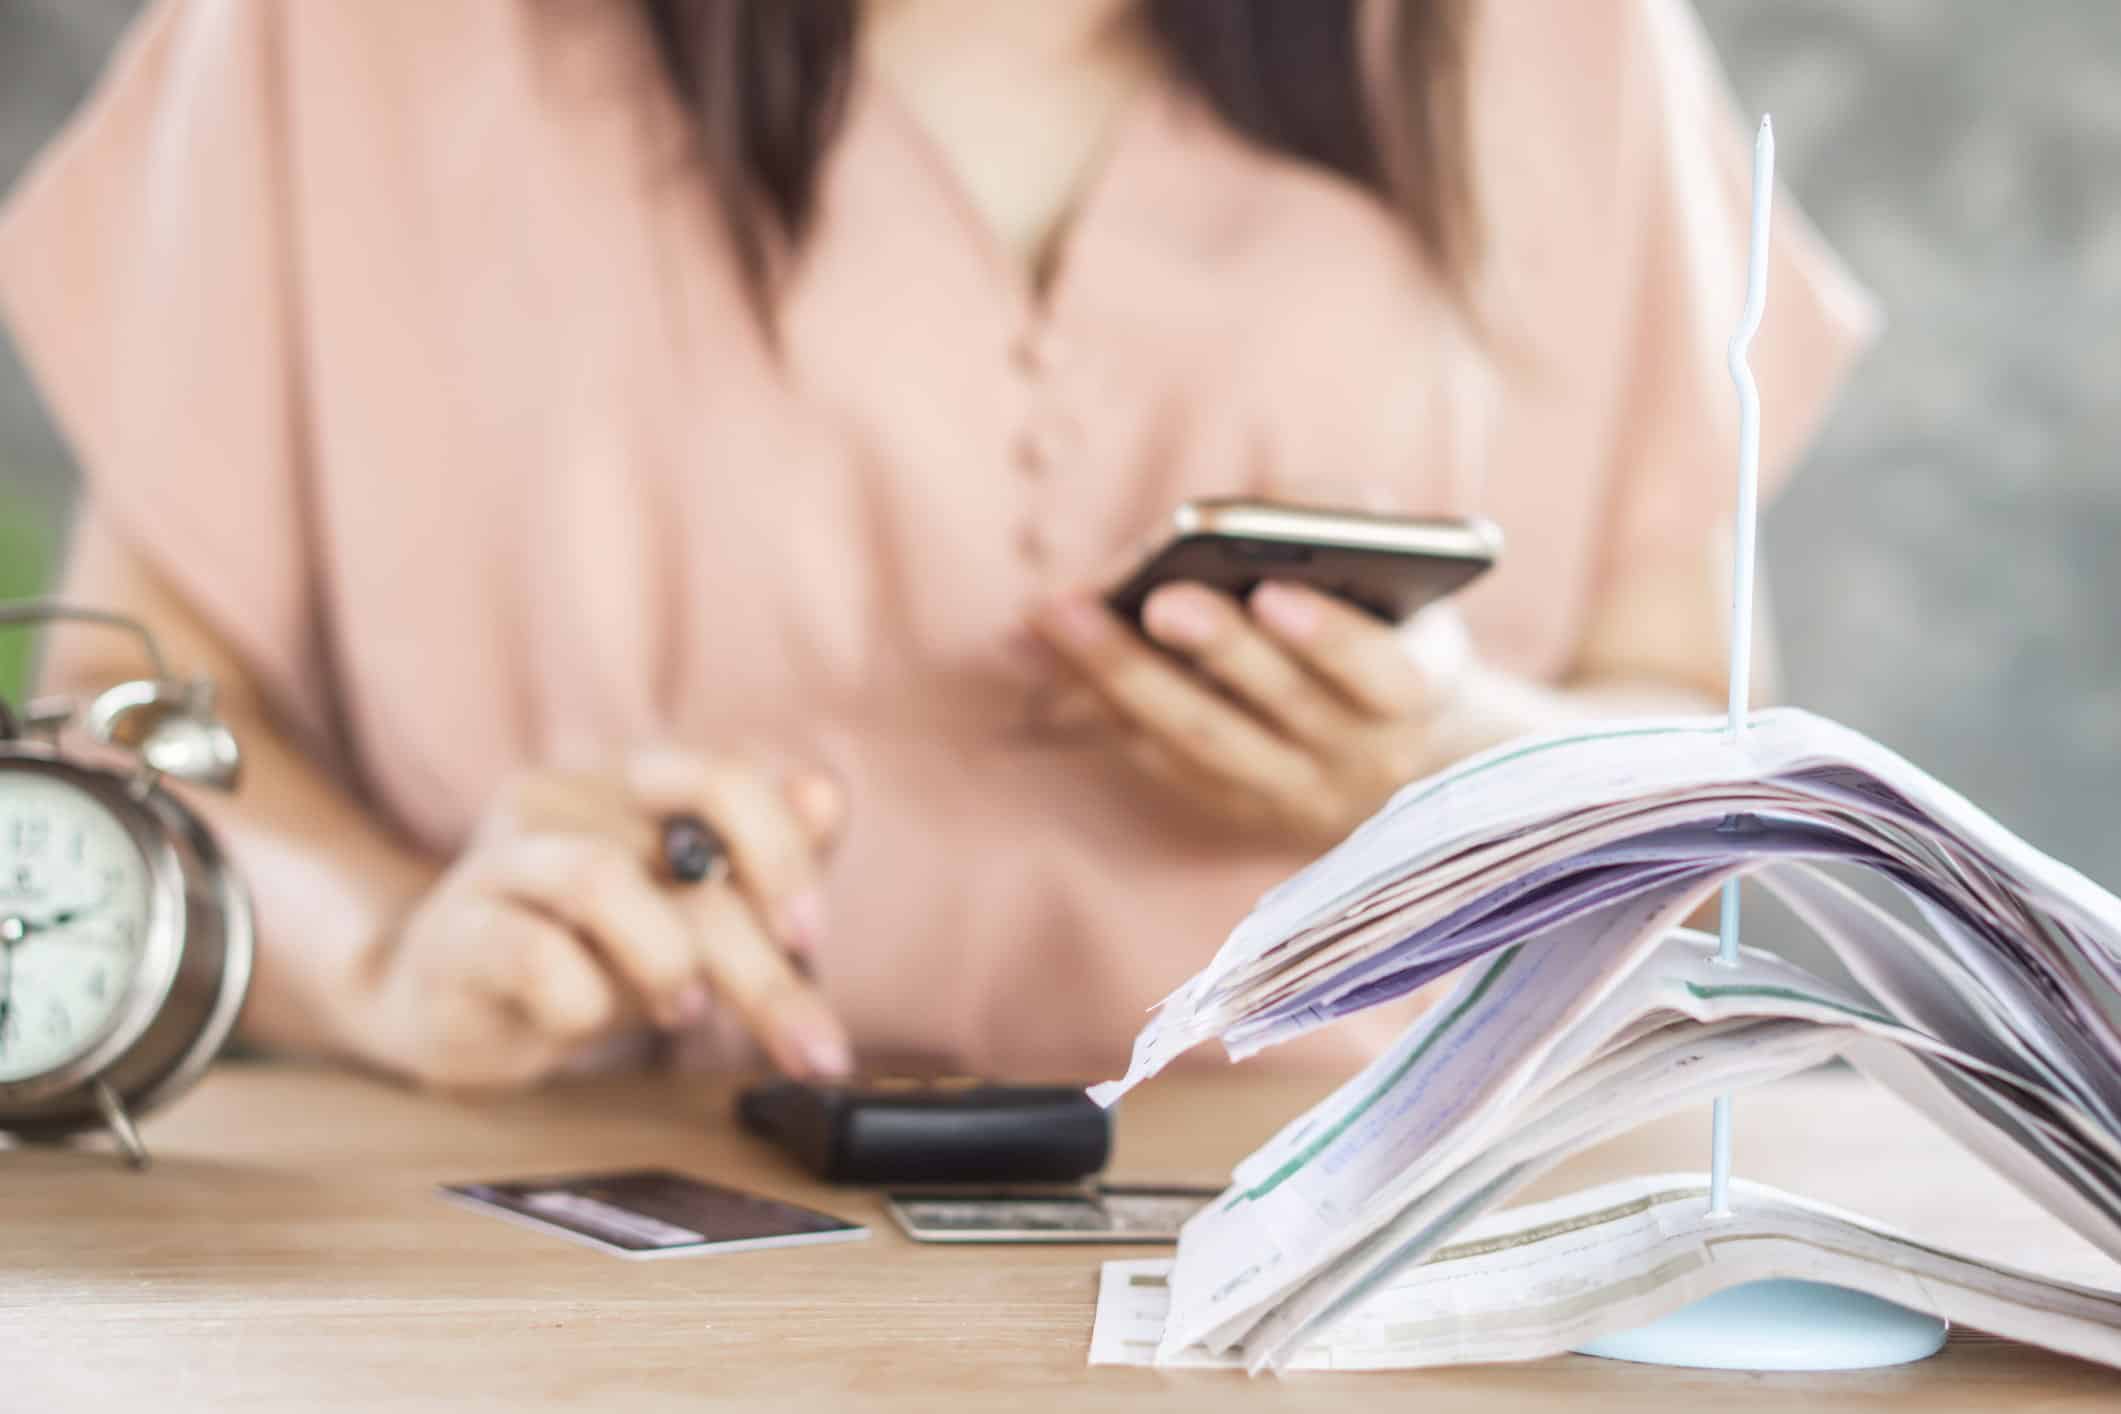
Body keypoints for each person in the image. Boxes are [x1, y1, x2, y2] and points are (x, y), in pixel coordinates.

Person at [0, 0, 1875, 1091]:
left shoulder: (1546, 42)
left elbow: (1703, 752)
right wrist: (399, 944)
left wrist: (1454, 772)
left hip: (1358, 1281)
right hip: (556, 1267)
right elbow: (125, 728)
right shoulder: (338, 42)